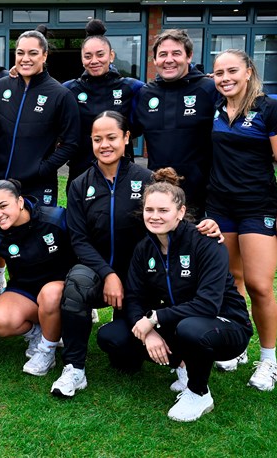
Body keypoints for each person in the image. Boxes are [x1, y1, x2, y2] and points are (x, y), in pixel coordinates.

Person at [56, 111, 222, 398]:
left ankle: (182, 358)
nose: (104, 145)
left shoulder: (145, 179)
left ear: (126, 138)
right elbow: (79, 239)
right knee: (76, 284)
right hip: (98, 272)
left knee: (125, 359)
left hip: (141, 276)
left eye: (111, 137)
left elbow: (169, 220)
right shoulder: (80, 184)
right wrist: (108, 274)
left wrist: (206, 226)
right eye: (97, 139)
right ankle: (74, 368)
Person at [97, 169, 252, 421]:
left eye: (163, 210)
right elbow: (134, 297)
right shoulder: (144, 248)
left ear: (180, 212)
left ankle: (199, 393)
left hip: (226, 325)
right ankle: (182, 365)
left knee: (190, 328)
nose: (155, 216)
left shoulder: (206, 242)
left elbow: (208, 305)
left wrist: (154, 318)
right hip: (179, 322)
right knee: (111, 336)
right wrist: (148, 332)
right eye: (149, 210)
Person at [207, 49, 277, 390]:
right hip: (220, 207)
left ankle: (268, 360)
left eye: (232, 71)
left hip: (258, 207)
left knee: (259, 285)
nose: (225, 78)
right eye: (219, 73)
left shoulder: (269, 109)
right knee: (233, 282)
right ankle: (238, 344)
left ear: (248, 72)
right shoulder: (215, 108)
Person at [0, 179, 74, 377]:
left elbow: (83, 246)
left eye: (3, 206)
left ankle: (47, 351)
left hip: (59, 292)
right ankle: (40, 332)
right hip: (25, 290)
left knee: (50, 294)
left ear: (20, 202)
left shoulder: (56, 218)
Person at [132, 29, 221, 217]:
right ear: (155, 60)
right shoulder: (146, 94)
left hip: (203, 194)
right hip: (159, 193)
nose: (169, 59)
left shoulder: (209, 89)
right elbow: (128, 132)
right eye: (163, 54)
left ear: (189, 56)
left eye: (176, 53)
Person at [0, 26, 79, 206]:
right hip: (0, 182)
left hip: (38, 186)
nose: (25, 58)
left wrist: (42, 169)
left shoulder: (60, 95)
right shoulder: (1, 86)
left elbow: (71, 143)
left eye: (33, 53)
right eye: (20, 53)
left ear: (44, 56)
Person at [63, 19, 145, 186]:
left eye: (100, 55)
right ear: (82, 58)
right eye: (88, 56)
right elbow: (41, 89)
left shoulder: (131, 87)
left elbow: (162, 89)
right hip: (81, 172)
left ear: (111, 55)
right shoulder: (69, 89)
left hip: (122, 172)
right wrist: (17, 74)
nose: (94, 61)